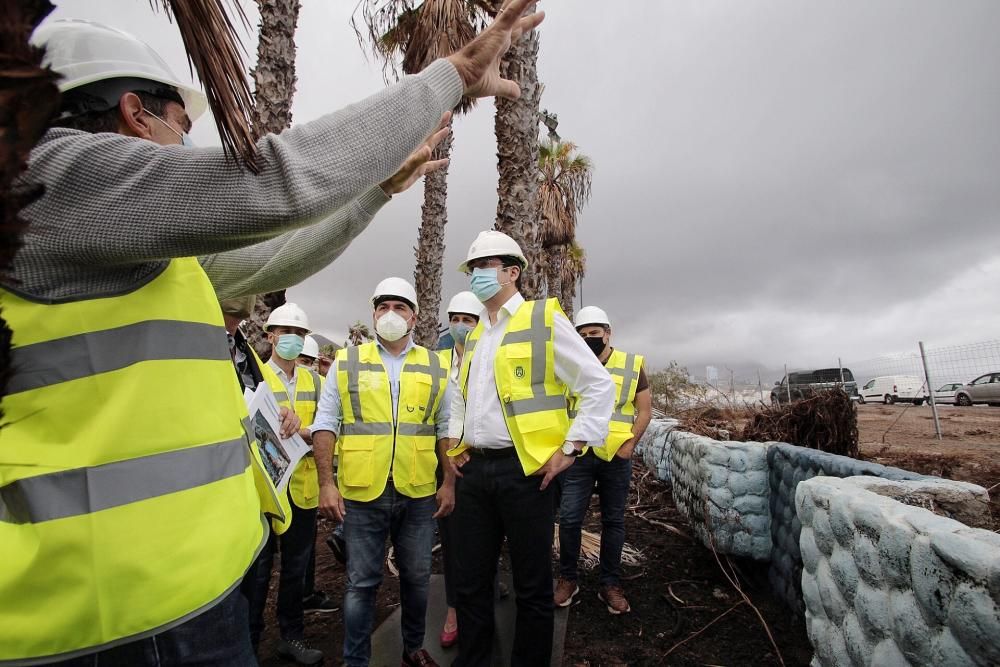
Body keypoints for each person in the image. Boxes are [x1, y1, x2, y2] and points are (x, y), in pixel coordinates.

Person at [1, 2, 545, 662]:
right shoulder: (55, 179)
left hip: (186, 595)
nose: (186, 144)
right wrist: (451, 74)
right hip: (100, 618)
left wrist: (375, 194)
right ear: (132, 113)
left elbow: (273, 256)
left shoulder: (127, 238)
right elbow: (275, 185)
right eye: (181, 124)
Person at [445, 231, 615, 666]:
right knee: (470, 583)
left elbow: (596, 385)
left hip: (527, 474)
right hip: (474, 474)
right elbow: (461, 396)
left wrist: (572, 447)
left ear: (512, 271)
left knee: (532, 586)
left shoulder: (543, 319)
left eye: (483, 267)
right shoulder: (477, 333)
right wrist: (454, 444)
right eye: (471, 269)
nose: (475, 276)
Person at [312, 278, 452, 667]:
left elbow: (445, 428)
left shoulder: (435, 364)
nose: (391, 314)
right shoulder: (348, 361)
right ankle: (355, 660)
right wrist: (327, 483)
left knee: (418, 578)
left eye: (400, 307)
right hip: (362, 491)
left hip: (418, 490)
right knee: (361, 583)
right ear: (374, 313)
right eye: (383, 307)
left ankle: (412, 648)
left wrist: (449, 484)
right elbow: (326, 422)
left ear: (415, 316)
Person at [244, 303, 332, 664]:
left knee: (296, 570)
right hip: (266, 492)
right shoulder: (256, 377)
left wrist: (306, 431)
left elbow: (329, 426)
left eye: (299, 333)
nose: (292, 339)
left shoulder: (316, 381)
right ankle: (249, 643)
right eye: (285, 332)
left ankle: (291, 637)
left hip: (303, 489)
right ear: (270, 336)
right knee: (259, 571)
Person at [555, 306, 652, 615]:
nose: (589, 339)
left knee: (613, 521)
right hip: (580, 455)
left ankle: (610, 583)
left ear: (608, 333)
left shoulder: (631, 364)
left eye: (594, 334)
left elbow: (645, 410)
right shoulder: (572, 366)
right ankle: (569, 579)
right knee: (569, 519)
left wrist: (630, 444)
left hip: (615, 456)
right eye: (582, 335)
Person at [435, 291, 482, 648]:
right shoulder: (435, 362)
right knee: (451, 539)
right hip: (446, 460)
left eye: (469, 320)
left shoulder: (489, 358)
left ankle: (483, 586)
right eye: (456, 319)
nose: (461, 326)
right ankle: (453, 608)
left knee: (485, 536)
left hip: (483, 460)